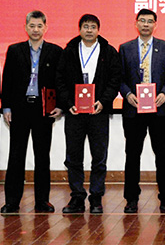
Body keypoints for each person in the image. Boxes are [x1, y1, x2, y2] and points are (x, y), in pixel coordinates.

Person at [56, 14, 121, 214]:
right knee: (73, 156)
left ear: (98, 30)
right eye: (86, 26)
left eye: (93, 27)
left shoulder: (109, 51)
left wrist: (104, 101)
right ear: (80, 29)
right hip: (74, 113)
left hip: (98, 112)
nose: (89, 30)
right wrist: (68, 104)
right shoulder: (69, 51)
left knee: (99, 157)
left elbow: (115, 80)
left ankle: (96, 198)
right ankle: (76, 197)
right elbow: (60, 80)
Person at [0, 10, 63, 214]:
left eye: (39, 26)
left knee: (42, 156)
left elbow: (60, 82)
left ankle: (42, 201)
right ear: (26, 27)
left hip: (43, 109)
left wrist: (60, 105)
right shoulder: (14, 50)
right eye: (32, 26)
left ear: (46, 28)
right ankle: (12, 202)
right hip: (19, 109)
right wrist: (6, 107)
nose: (35, 30)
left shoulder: (55, 51)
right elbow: (7, 80)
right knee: (16, 155)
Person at [119, 9, 165, 213]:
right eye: (142, 21)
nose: (146, 24)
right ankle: (131, 199)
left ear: (155, 25)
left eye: (150, 21)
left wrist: (164, 93)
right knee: (132, 155)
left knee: (163, 154)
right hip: (133, 109)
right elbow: (119, 78)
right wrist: (127, 94)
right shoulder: (125, 48)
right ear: (136, 23)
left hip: (158, 109)